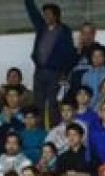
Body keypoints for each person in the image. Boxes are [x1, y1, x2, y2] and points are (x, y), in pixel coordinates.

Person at [24, 0, 77, 128]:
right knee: (38, 104)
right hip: (39, 71)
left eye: (48, 14)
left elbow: (70, 54)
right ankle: (40, 130)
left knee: (53, 104)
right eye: (44, 14)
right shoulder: (41, 27)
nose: (46, 16)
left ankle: (54, 131)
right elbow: (33, 13)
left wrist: (65, 72)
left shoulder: (64, 31)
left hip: (55, 73)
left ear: (56, 15)